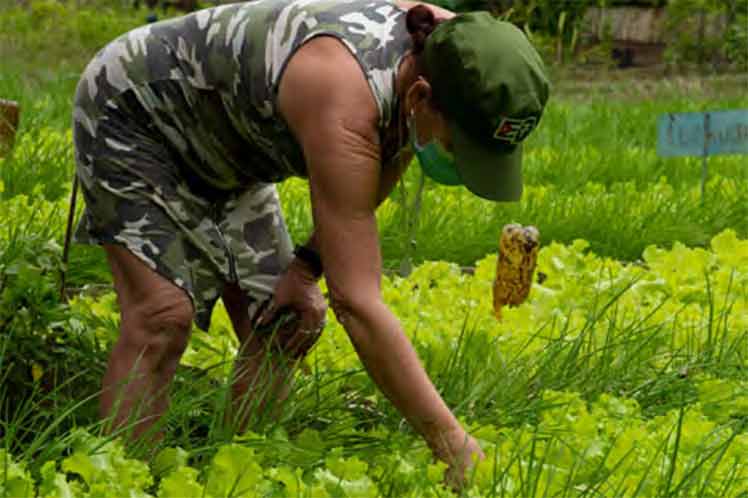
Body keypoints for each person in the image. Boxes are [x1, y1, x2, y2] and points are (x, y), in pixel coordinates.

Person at [71, 0, 549, 486]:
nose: (458, 161)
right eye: (457, 146)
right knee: (161, 317)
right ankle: (122, 480)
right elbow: (357, 301)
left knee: (288, 319)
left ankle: (235, 470)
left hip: (234, 145)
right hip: (136, 112)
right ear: (420, 97)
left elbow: (382, 163)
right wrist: (451, 442)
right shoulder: (344, 91)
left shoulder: (459, 52)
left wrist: (303, 271)